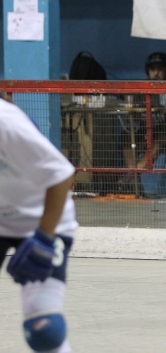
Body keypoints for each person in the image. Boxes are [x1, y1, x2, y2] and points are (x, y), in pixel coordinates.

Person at [0, 97, 77, 352]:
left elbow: (61, 175)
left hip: (42, 217)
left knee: (43, 327)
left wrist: (44, 238)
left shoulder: (6, 123)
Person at [120, 52, 166, 178]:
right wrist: (130, 112)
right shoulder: (141, 87)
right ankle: (132, 173)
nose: (156, 73)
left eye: (160, 69)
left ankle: (130, 176)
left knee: (161, 136)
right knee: (127, 136)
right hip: (145, 131)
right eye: (152, 69)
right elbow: (130, 119)